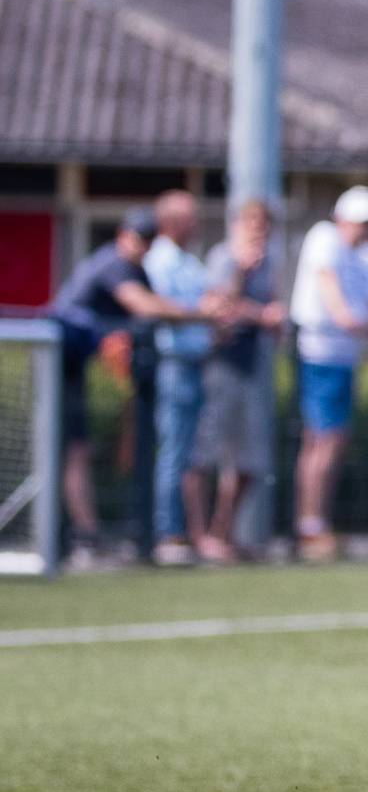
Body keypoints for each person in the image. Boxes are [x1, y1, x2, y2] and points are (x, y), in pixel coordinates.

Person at [49, 205, 212, 565]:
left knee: (77, 449)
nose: (145, 245)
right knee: (69, 450)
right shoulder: (115, 264)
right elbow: (145, 307)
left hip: (74, 366)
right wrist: (204, 314)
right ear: (123, 234)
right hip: (55, 363)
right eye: (140, 237)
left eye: (151, 238)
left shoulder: (138, 270)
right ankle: (79, 536)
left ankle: (85, 533)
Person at [289, 185, 368, 561]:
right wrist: (359, 322)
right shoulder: (324, 238)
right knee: (322, 441)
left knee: (333, 441)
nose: (366, 229)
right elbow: (339, 306)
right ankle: (309, 525)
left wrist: (363, 323)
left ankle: (317, 522)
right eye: (361, 221)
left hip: (345, 358)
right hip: (319, 355)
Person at [193, 198, 286, 562]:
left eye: (264, 225)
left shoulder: (269, 262)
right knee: (206, 453)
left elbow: (272, 310)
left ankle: (224, 531)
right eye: (252, 223)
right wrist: (243, 276)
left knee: (250, 460)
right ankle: (199, 535)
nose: (259, 231)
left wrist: (274, 320)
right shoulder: (224, 258)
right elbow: (219, 307)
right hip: (222, 365)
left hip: (252, 367)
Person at [141, 189, 217, 566]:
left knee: (189, 452)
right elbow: (160, 307)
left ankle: (184, 531)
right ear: (171, 222)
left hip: (196, 364)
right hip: (173, 364)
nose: (196, 224)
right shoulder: (160, 260)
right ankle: (166, 533)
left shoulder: (188, 261)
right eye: (190, 218)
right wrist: (203, 313)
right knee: (173, 450)